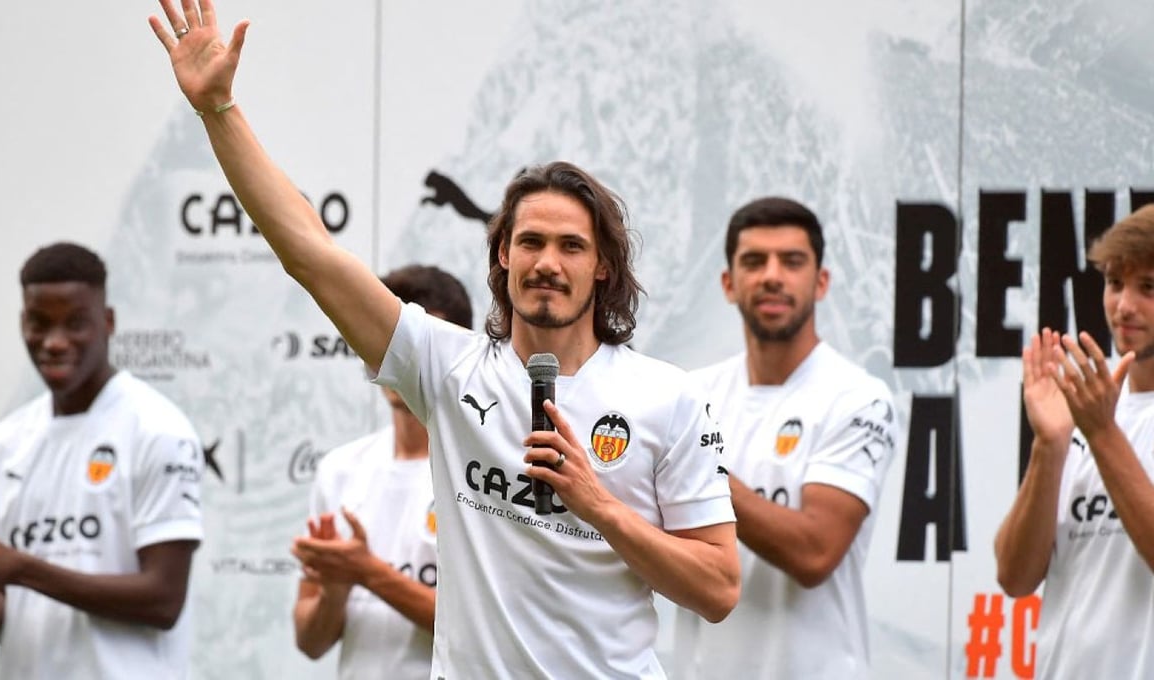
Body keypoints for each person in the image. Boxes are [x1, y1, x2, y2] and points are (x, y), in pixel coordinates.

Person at [147, 1, 740, 676]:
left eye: (571, 245)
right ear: (503, 257)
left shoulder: (666, 396)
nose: (548, 262)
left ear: (602, 265)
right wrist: (219, 110)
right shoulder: (447, 368)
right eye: (531, 242)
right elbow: (310, 253)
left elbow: (718, 589)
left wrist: (599, 505)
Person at [0, 242, 203, 679]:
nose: (54, 342)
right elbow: (4, 624)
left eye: (75, 323)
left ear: (108, 322)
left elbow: (163, 600)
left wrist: (23, 569)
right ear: (22, 322)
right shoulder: (1, 445)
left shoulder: (156, 429)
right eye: (39, 322)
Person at [673, 197, 898, 679]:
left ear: (821, 282)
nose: (772, 276)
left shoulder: (859, 398)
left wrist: (700, 470)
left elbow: (815, 551)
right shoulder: (690, 396)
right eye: (754, 261)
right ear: (728, 283)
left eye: (792, 261)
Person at [995, 205, 1154, 679]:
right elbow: (1015, 576)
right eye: (1114, 283)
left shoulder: (1097, 419)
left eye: (1148, 288)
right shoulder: (1089, 408)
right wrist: (1050, 445)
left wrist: (1102, 433)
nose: (1124, 306)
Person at [291, 264, 473, 680]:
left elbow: (484, 630)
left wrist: (367, 572)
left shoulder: (482, 471)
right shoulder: (340, 468)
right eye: (384, 339)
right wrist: (335, 593)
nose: (395, 358)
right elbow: (309, 641)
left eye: (411, 346)